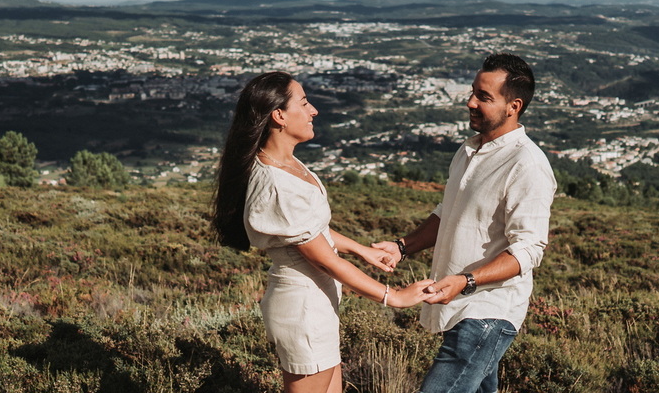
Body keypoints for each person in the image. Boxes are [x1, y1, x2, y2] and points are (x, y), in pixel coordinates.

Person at [212, 71, 433, 393]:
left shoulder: (286, 164)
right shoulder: (278, 183)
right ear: (279, 116)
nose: (313, 110)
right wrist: (394, 297)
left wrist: (361, 249)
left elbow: (312, 230)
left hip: (315, 306)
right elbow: (325, 260)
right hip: (303, 309)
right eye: (303, 102)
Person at [374, 53, 557, 393]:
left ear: (513, 106)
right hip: (459, 302)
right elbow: (448, 213)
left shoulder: (526, 164)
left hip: (488, 309)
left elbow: (528, 251)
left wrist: (466, 281)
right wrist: (402, 247)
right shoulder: (469, 150)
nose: (470, 102)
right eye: (473, 92)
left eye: (484, 97)